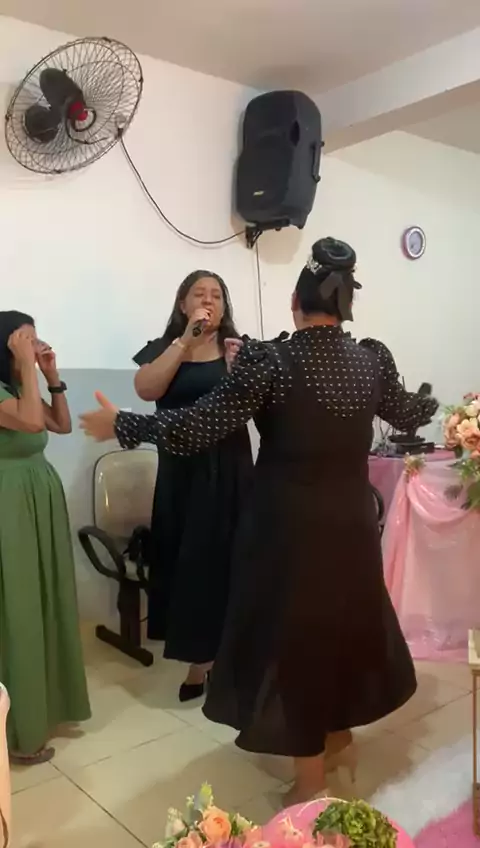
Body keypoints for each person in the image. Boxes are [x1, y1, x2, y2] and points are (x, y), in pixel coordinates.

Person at [80, 238, 438, 803]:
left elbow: (199, 426)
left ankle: (311, 784)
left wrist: (125, 424)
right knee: (340, 628)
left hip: (287, 527)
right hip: (350, 523)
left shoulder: (272, 360)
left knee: (295, 643)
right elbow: (408, 411)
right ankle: (337, 737)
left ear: (295, 302)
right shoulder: (371, 359)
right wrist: (437, 401)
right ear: (345, 305)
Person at [132, 271, 253, 702]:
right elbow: (146, 389)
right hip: (181, 472)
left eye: (216, 294)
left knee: (228, 562)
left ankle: (228, 658)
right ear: (183, 304)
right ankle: (198, 660)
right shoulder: (166, 346)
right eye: (199, 294)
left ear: (225, 305)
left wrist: (238, 373)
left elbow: (255, 409)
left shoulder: (238, 348)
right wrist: (185, 341)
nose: (208, 300)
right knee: (187, 562)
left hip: (229, 468)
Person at [0, 311, 90, 765]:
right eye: (26, 339)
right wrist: (26, 367)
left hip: (36, 496)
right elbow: (33, 425)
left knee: (42, 600)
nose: (36, 346)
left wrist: (51, 377)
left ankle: (46, 704)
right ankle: (19, 727)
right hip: (8, 503)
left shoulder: (21, 387)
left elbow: (60, 423)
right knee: (17, 609)